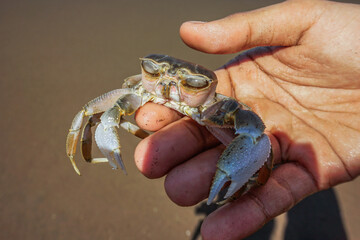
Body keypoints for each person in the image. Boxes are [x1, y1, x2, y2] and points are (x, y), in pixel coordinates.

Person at [134, 0, 360, 239]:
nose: (174, 86)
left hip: (206, 109)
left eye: (193, 83)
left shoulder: (221, 105)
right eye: (152, 70)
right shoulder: (139, 84)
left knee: (255, 138)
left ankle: (240, 178)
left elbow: (256, 136)